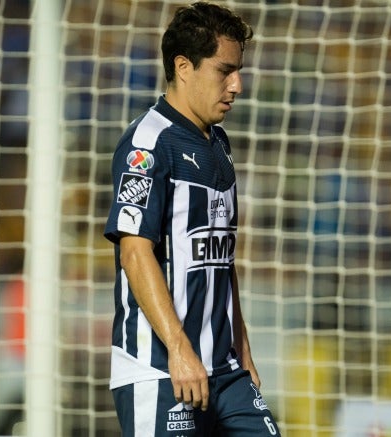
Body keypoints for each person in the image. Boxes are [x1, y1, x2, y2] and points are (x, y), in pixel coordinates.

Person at [103, 2, 281, 436]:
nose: (237, 85)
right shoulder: (148, 144)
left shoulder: (219, 144)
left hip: (225, 371)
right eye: (225, 71)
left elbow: (221, 258)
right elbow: (134, 251)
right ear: (184, 67)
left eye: (238, 70)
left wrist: (243, 349)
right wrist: (180, 350)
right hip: (162, 369)